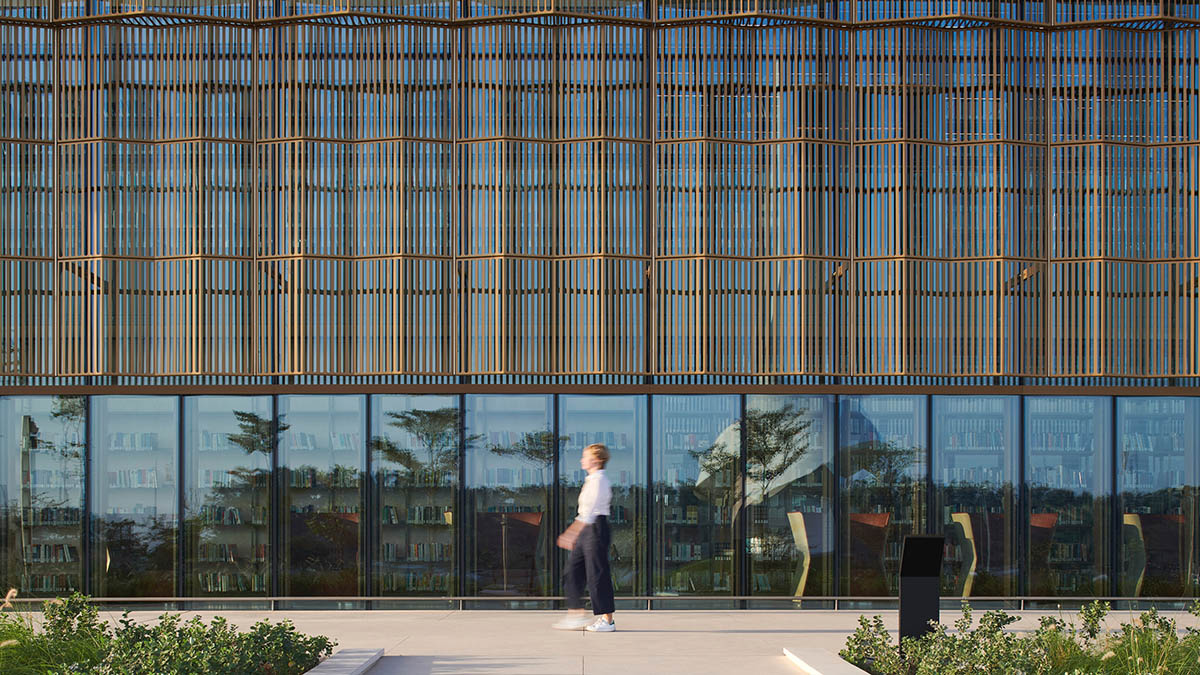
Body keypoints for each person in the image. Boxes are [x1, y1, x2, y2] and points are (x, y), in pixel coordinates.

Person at [552, 443, 616, 632]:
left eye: (585, 456)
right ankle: (576, 613)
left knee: (597, 574)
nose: (582, 459)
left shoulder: (599, 481)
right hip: (586, 529)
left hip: (595, 528)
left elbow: (589, 513)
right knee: (572, 570)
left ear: (596, 460)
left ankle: (607, 621)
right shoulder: (591, 480)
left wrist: (570, 533)